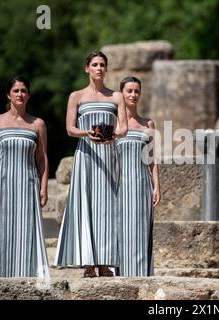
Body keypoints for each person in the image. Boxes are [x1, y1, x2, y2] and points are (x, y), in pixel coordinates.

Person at [54, 51, 127, 277]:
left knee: (107, 208)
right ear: (87, 68)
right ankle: (88, 262)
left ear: (106, 69)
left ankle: (105, 263)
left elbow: (124, 127)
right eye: (95, 64)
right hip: (86, 155)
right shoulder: (76, 96)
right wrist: (86, 133)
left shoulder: (116, 96)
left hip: (108, 156)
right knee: (86, 205)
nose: (99, 68)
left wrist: (113, 135)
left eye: (102, 65)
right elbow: (69, 128)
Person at [0, 75, 49, 278]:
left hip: (28, 183)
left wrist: (44, 187)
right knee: (2, 230)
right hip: (2, 183)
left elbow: (42, 159)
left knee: (27, 229)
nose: (20, 94)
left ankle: (29, 275)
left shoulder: (38, 124)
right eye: (16, 91)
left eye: (23, 91)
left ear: (28, 95)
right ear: (9, 95)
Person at [116, 76, 160, 276]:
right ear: (121, 94)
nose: (133, 95)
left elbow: (152, 159)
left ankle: (142, 275)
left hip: (142, 185)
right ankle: (122, 273)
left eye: (136, 91)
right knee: (121, 229)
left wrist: (156, 186)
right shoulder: (114, 124)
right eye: (129, 91)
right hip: (120, 185)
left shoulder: (148, 124)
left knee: (142, 230)